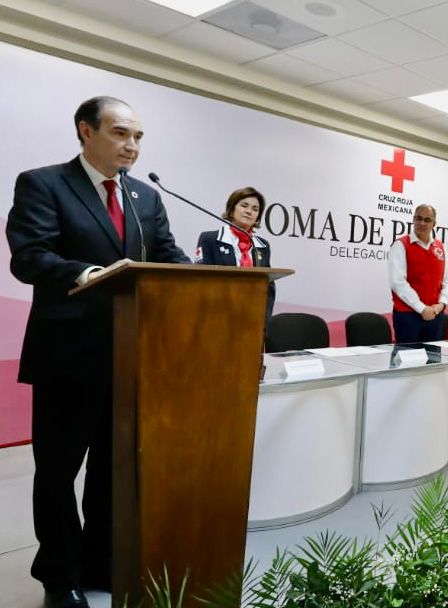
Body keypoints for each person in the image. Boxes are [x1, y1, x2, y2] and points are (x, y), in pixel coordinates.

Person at [6, 96, 189, 608]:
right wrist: (87, 274)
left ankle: (99, 561)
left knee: (112, 470)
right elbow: (30, 256)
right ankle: (59, 575)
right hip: (67, 356)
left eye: (138, 137)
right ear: (86, 131)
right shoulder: (44, 183)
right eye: (120, 133)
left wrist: (201, 278)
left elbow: (167, 255)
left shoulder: (145, 197)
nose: (131, 146)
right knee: (58, 473)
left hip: (130, 357)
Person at [195, 186, 275, 322]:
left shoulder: (262, 246)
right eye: (244, 206)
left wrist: (264, 321)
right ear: (232, 209)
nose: (249, 211)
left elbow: (269, 287)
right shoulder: (210, 239)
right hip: (216, 318)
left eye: (255, 209)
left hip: (252, 320)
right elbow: (202, 282)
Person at [389, 204, 448, 343]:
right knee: (407, 356)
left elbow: (447, 280)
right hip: (407, 316)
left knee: (433, 356)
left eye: (427, 220)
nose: (422, 223)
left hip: (435, 315)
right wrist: (422, 308)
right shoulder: (401, 245)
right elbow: (398, 282)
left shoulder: (441, 247)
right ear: (413, 219)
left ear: (434, 224)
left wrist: (441, 304)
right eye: (419, 218)